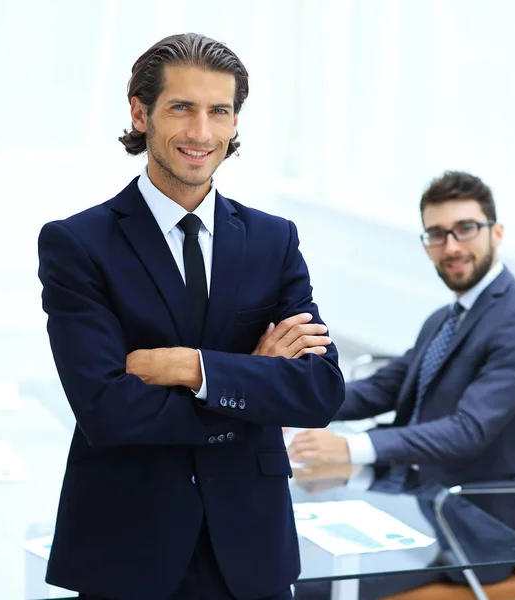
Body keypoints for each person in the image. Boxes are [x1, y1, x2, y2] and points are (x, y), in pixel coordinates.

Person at [38, 33, 344, 600]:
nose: (202, 133)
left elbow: (319, 392)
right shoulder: (76, 245)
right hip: (128, 552)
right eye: (182, 107)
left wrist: (192, 367)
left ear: (234, 123)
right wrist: (250, 385)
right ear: (140, 112)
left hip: (253, 556)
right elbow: (108, 410)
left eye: (219, 111)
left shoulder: (273, 241)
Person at [291, 170, 515, 599]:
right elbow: (382, 389)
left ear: (497, 232)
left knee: (303, 587)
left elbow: (468, 431)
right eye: (436, 234)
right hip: (417, 501)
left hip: (471, 532)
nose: (450, 246)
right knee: (279, 553)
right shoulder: (447, 317)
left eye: (465, 229)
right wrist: (286, 398)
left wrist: (350, 447)